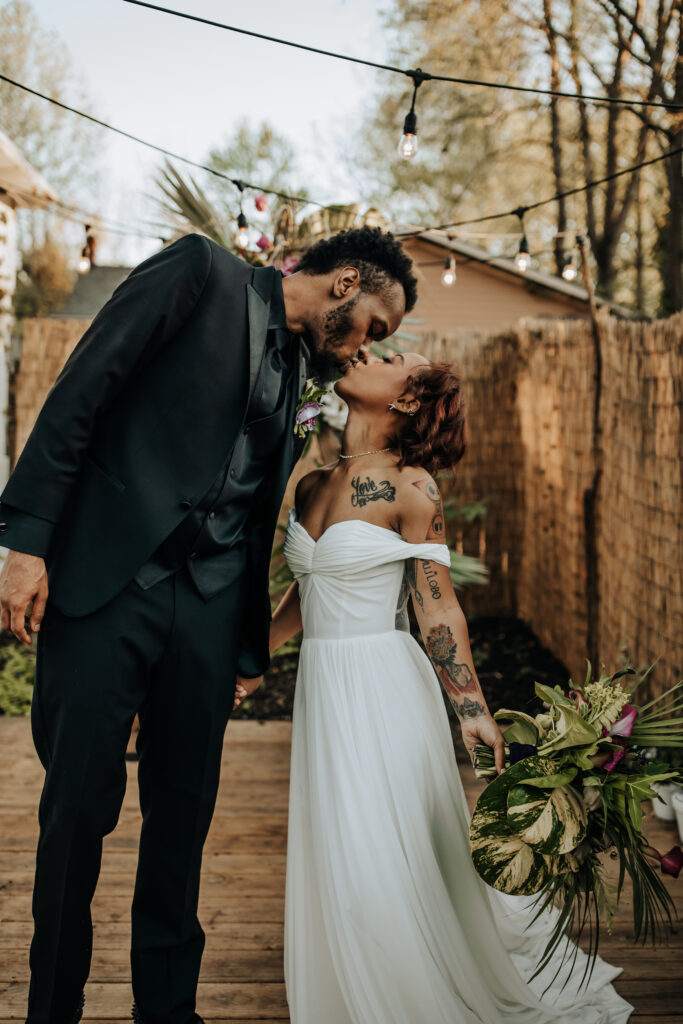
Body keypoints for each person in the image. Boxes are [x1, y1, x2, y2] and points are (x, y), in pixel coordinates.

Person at [0, 227, 417, 1024]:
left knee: (182, 816)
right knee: (76, 810)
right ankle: (50, 1010)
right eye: (373, 325)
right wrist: (25, 546)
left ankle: (168, 1010)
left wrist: (245, 642)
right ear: (347, 282)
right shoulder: (201, 274)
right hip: (106, 589)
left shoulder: (300, 366)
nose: (366, 346)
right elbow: (80, 391)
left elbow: (255, 509)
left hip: (209, 608)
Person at [237, 349, 634, 1023]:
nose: (365, 352)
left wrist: (470, 709)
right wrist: (256, 659)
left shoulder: (412, 488)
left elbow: (435, 603)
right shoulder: (312, 482)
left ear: (405, 402)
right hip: (324, 690)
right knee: (341, 842)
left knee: (378, 848)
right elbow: (310, 591)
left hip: (383, 691)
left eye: (391, 357)